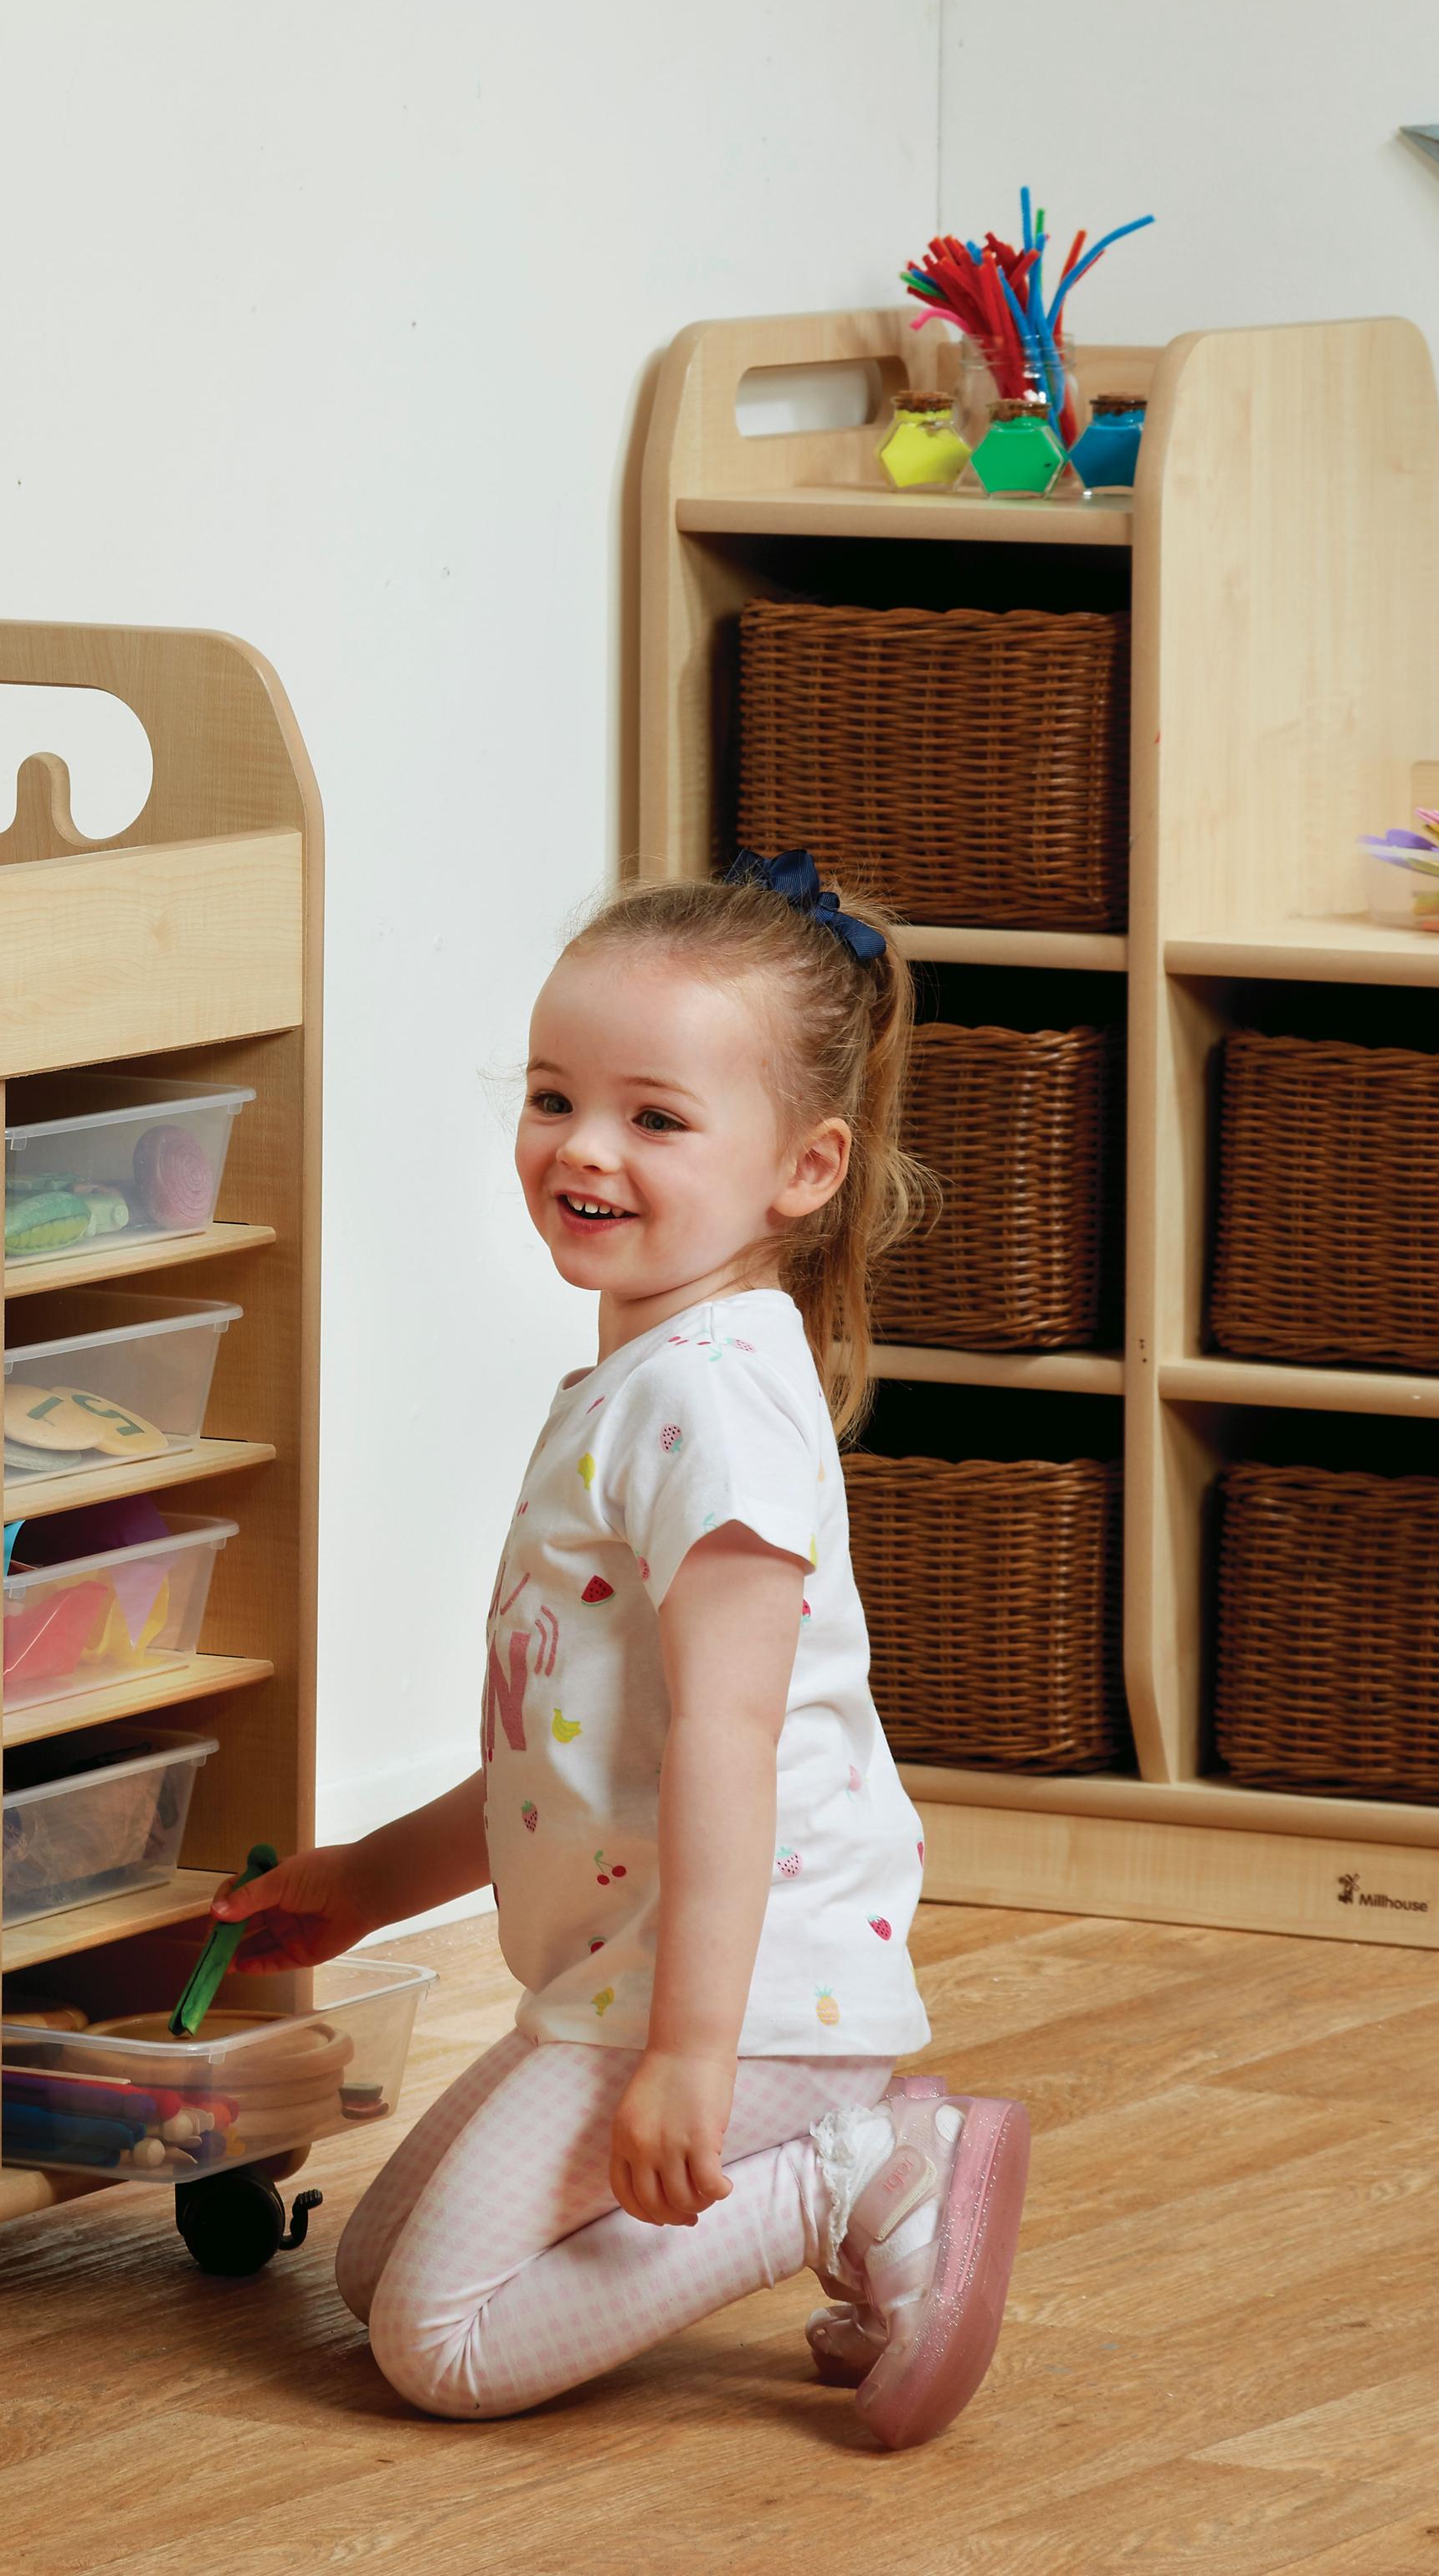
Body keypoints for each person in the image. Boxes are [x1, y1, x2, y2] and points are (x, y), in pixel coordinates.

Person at [213, 850, 1028, 2445]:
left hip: (752, 1990)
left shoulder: (711, 1405)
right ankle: (832, 2168)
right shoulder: (646, 1380)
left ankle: (863, 2174)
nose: (583, 1148)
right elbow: (572, 1768)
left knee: (437, 2345)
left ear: (805, 1169)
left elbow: (732, 1754)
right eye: (552, 1095)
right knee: (375, 2273)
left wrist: (691, 2056)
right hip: (629, 1965)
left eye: (656, 1116)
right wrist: (371, 1881)